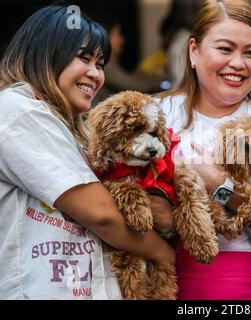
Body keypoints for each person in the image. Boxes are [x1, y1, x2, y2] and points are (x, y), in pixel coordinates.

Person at [0, 5, 175, 300]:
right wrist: (165, 253)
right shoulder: (17, 110)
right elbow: (102, 214)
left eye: (101, 63)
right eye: (84, 58)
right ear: (45, 54)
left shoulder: (76, 128)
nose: (95, 74)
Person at [153, 0, 251, 300]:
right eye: (225, 49)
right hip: (158, 273)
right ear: (193, 51)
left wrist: (217, 182)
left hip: (241, 281)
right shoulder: (157, 112)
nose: (238, 63)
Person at [92, 12, 165, 104]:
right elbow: (135, 85)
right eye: (118, 34)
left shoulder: (106, 60)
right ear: (105, 36)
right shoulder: (103, 61)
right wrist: (162, 81)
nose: (122, 39)